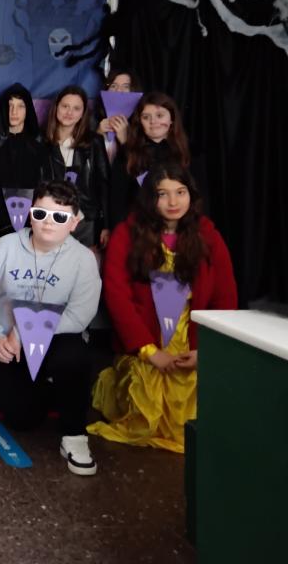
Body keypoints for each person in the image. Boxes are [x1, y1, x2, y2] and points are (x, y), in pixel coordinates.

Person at [89, 164, 237, 453]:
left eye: (180, 192)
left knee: (193, 415)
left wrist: (206, 351)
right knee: (144, 399)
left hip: (191, 344)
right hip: (145, 345)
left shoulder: (209, 236)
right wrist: (148, 351)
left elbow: (225, 297)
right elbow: (117, 297)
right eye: (163, 194)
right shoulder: (127, 234)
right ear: (150, 198)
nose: (173, 202)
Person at [0, 180, 102, 476]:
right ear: (30, 214)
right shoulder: (4, 247)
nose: (48, 223)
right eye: (40, 213)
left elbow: (80, 315)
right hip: (8, 347)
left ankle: (75, 435)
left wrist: (24, 331)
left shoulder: (83, 259)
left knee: (74, 355)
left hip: (56, 342)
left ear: (73, 223)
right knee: (21, 420)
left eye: (59, 217)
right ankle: (48, 389)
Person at [108, 91, 193, 228]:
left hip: (179, 227)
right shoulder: (128, 153)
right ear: (140, 122)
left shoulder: (187, 152)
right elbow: (117, 198)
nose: (153, 122)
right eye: (146, 117)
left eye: (159, 115)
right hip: (139, 228)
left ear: (171, 119)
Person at [40, 86, 110, 248]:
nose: (69, 112)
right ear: (56, 107)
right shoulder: (40, 141)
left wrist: (106, 224)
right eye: (65, 106)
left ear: (83, 113)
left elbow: (104, 185)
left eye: (76, 108)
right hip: (50, 219)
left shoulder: (94, 142)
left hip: (85, 221)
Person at [0, 83, 42, 243]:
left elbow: (43, 182)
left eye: (20, 106)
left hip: (30, 219)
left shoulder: (38, 142)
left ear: (28, 109)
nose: (14, 112)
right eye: (10, 106)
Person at [95, 68, 142, 164]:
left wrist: (124, 141)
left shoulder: (142, 124)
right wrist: (97, 135)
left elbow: (140, 168)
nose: (119, 90)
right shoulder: (93, 119)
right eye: (113, 86)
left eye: (126, 86)